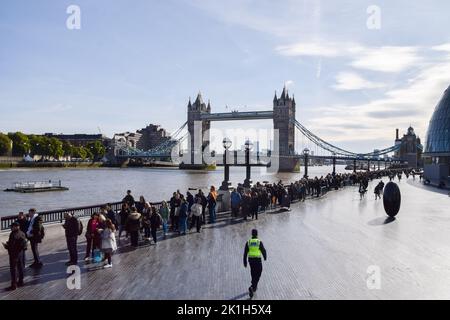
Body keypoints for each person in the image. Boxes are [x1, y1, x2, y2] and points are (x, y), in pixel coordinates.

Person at [2, 222, 27, 291]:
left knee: (13, 269)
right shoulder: (22, 233)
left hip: (14, 254)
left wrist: (6, 246)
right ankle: (21, 281)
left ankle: (14, 285)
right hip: (20, 253)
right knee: (20, 267)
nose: (11, 228)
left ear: (16, 227)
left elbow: (12, 246)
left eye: (12, 227)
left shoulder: (13, 234)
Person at [243, 229, 267, 298]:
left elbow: (245, 253)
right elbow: (263, 250)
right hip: (257, 260)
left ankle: (254, 287)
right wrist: (265, 257)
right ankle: (252, 286)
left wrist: (245, 262)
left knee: (253, 273)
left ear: (252, 234)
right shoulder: (259, 242)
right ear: (257, 234)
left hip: (251, 261)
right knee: (259, 272)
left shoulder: (248, 242)